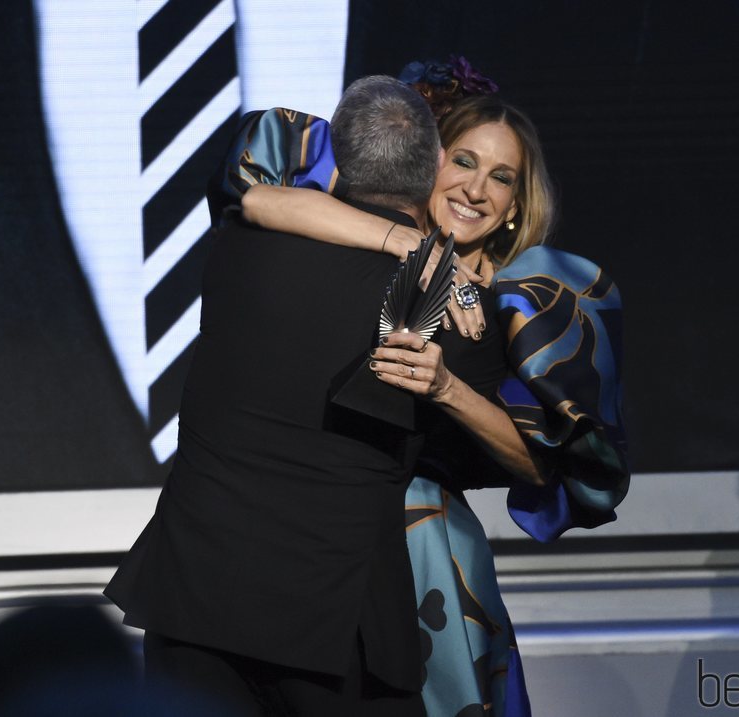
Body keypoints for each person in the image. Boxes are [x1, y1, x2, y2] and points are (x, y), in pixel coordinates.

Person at [214, 60, 629, 717]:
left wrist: (448, 388)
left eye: (502, 177)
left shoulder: (526, 302)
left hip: (422, 549)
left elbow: (544, 462)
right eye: (463, 161)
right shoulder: (358, 241)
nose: (476, 188)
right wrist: (412, 244)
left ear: (518, 203)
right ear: (429, 161)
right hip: (305, 537)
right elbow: (250, 189)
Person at [105, 76, 448, 716]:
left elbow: (253, 197)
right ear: (431, 171)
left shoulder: (237, 246)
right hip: (332, 617)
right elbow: (525, 457)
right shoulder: (443, 302)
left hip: (197, 595)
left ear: (338, 163)